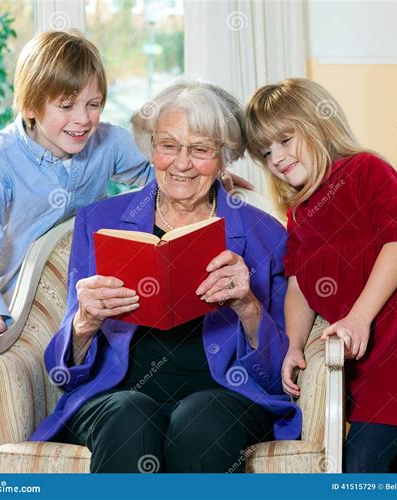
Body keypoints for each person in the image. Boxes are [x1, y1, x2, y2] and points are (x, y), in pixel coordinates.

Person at [30, 79, 301, 473]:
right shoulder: (101, 222)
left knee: (200, 418)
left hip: (223, 395)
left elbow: (275, 375)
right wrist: (84, 322)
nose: (182, 163)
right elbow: (63, 371)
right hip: (118, 395)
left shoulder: (265, 234)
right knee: (130, 413)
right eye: (168, 145)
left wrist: (248, 306)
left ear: (224, 156)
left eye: (201, 149)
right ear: (151, 148)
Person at [0, 30, 248, 343]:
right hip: (15, 303)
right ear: (30, 106)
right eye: (66, 106)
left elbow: (166, 174)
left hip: (88, 291)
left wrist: (211, 181)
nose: (83, 119)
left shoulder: (108, 142)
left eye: (93, 104)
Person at [244, 77, 397, 473]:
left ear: (317, 123)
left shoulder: (368, 170)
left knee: (360, 471)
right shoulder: (300, 211)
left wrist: (360, 316)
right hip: (360, 359)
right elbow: (299, 283)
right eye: (265, 152)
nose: (275, 157)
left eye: (285, 140)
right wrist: (293, 344)